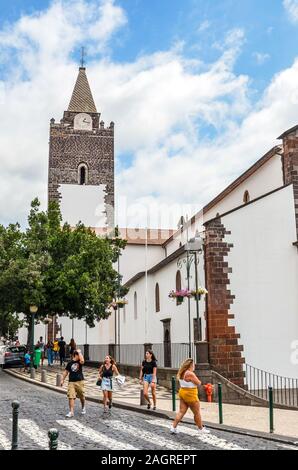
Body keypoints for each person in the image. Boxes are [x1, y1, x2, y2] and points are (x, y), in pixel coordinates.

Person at [170, 358, 210, 435]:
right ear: (191, 365)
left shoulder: (182, 372)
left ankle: (173, 427)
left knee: (181, 412)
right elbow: (198, 383)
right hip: (190, 394)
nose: (194, 366)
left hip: (182, 392)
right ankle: (201, 429)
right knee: (197, 413)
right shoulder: (190, 374)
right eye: (193, 364)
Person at [61, 349, 86, 418]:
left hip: (80, 381)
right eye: (79, 355)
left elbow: (82, 361)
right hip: (71, 382)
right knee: (71, 396)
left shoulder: (79, 362)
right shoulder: (70, 363)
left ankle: (83, 406)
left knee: (82, 396)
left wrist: (80, 352)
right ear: (76, 355)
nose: (80, 356)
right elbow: (66, 372)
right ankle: (71, 412)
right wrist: (62, 380)